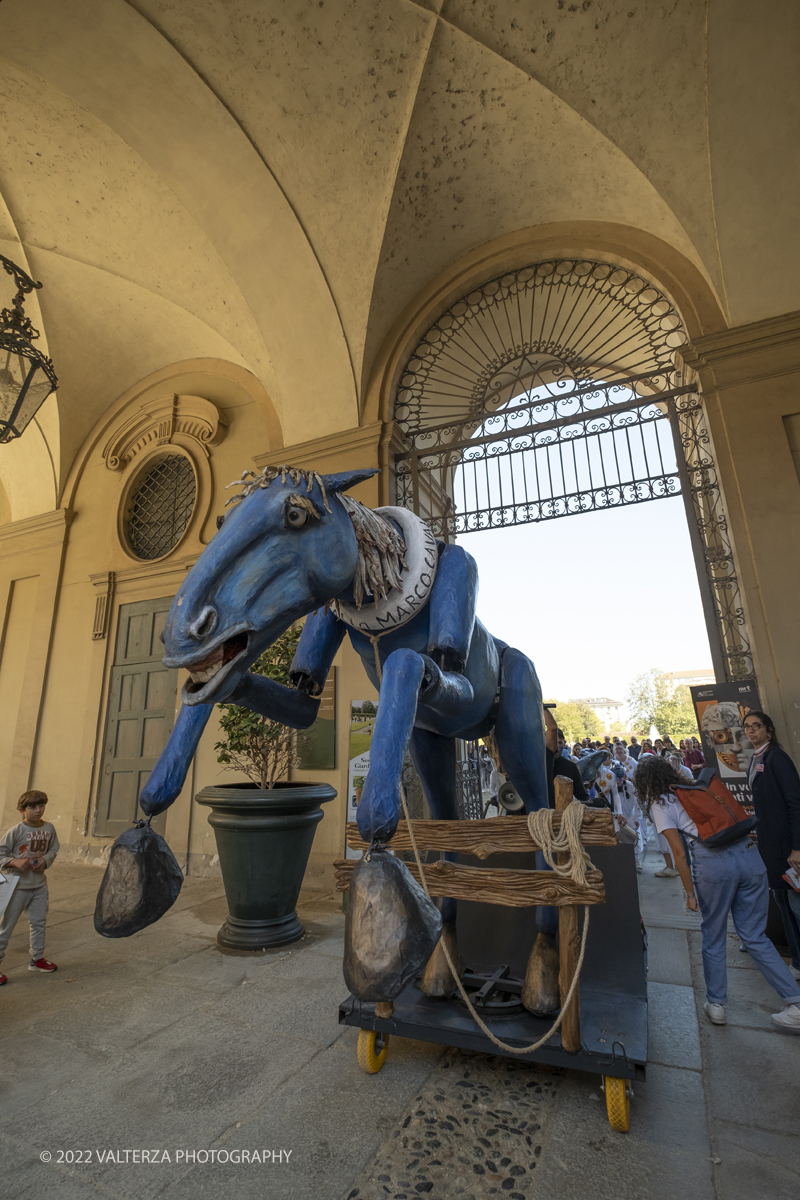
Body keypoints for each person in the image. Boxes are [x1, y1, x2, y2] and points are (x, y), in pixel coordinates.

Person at [633, 755, 800, 1029]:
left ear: (644, 783)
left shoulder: (660, 802)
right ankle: (795, 1003)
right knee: (755, 935)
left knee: (713, 935)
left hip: (713, 864)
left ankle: (717, 1004)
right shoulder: (697, 788)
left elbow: (679, 853)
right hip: (749, 854)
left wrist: (689, 893)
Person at [743, 711, 800, 984]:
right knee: (783, 905)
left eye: (757, 726)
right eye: (747, 727)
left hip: (788, 848)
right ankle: (797, 962)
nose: (751, 731)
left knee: (796, 906)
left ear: (769, 729)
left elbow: (795, 803)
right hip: (771, 848)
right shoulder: (755, 760)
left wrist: (797, 847)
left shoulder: (777, 758)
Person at [0, 790, 60, 984]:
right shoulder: (15, 831)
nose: (38, 810)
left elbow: (53, 849)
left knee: (39, 923)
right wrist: (13, 862)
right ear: (21, 810)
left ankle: (37, 959)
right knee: (5, 928)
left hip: (39, 885)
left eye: (42, 805)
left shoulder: (49, 828)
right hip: (16, 886)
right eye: (33, 807)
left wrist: (46, 860)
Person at [611, 743, 646, 869]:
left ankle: (635, 861)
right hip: (617, 817)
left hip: (630, 816)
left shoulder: (630, 786)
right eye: (616, 779)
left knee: (633, 838)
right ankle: (621, 861)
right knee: (618, 839)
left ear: (624, 777)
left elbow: (638, 802)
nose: (619, 782)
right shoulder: (611, 788)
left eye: (620, 779)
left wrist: (637, 818)